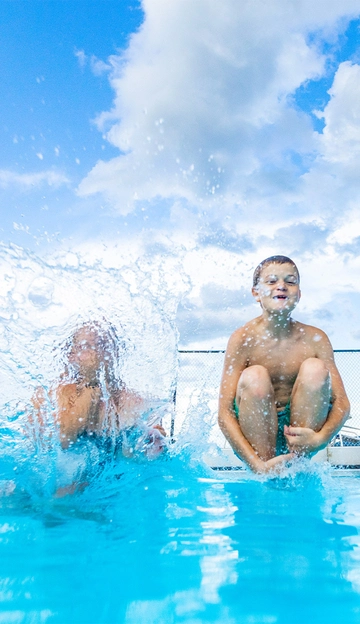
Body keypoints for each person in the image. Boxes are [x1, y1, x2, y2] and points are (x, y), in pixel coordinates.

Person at [218, 255, 350, 474]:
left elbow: (342, 404)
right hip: (256, 437)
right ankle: (267, 468)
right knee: (255, 376)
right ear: (256, 293)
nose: (282, 286)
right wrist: (256, 465)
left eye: (290, 281)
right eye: (271, 281)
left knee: (315, 369)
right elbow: (224, 413)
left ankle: (295, 464)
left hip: (302, 434)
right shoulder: (242, 339)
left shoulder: (315, 338)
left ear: (299, 293)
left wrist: (319, 439)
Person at [30, 321, 167, 460]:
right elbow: (48, 447)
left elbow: (152, 451)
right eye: (87, 346)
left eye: (104, 345)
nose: (97, 352)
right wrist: (89, 397)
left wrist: (154, 440)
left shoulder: (132, 401)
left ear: (116, 353)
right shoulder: (49, 398)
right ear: (71, 355)